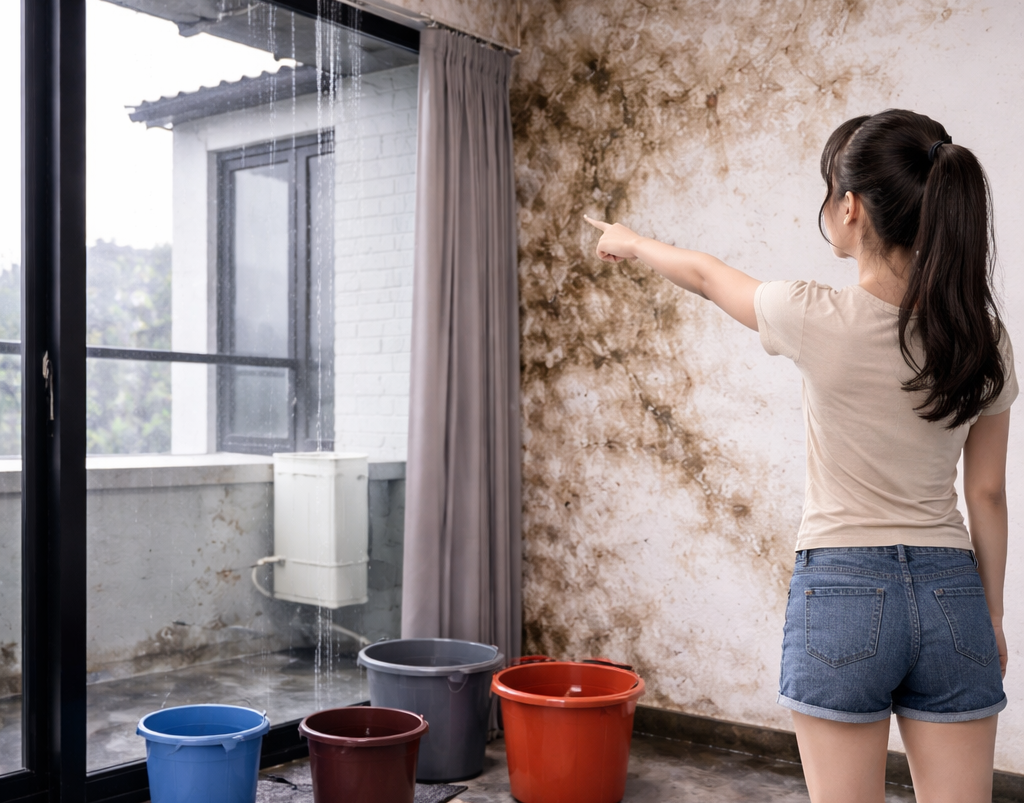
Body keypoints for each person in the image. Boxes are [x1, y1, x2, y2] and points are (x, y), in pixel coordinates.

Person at [584, 108, 1016, 803]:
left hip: (843, 586)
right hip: (951, 592)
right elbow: (987, 493)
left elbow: (703, 274)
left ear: (850, 209)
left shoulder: (811, 313)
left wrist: (632, 242)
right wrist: (989, 616)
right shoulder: (985, 339)